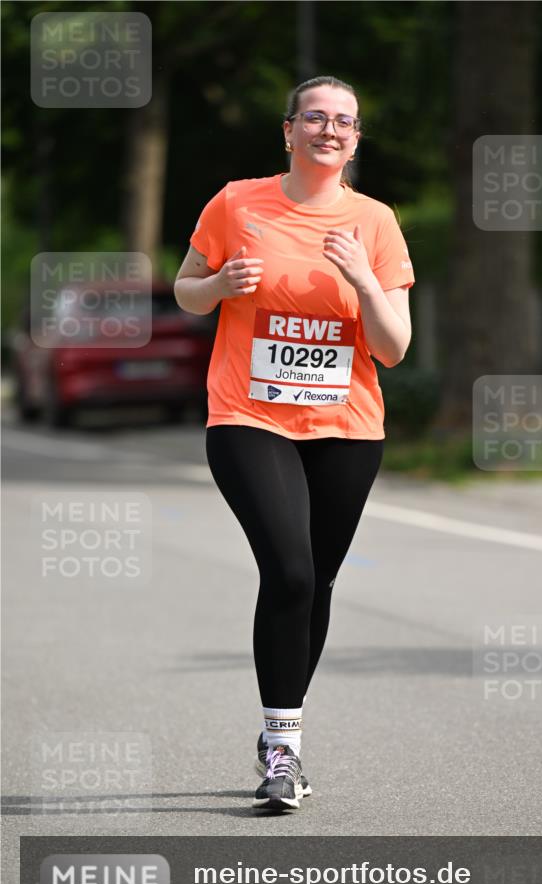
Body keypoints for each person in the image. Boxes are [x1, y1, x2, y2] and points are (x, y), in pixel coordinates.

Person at [174, 75, 415, 811]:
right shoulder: (237, 202)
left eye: (343, 120)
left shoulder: (374, 223)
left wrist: (361, 282)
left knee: (316, 582)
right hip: (249, 416)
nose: (329, 129)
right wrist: (218, 286)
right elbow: (185, 288)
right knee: (290, 572)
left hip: (345, 427)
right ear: (288, 131)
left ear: (354, 138)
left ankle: (282, 726)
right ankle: (283, 750)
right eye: (314, 117)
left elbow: (394, 346)